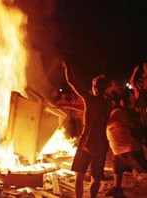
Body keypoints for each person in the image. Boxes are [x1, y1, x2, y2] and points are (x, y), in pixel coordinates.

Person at [62, 61, 111, 198]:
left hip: (86, 143)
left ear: (95, 87)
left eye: (93, 85)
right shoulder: (108, 104)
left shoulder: (89, 99)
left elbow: (71, 81)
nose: (92, 87)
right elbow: (87, 109)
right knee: (96, 177)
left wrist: (67, 67)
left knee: (80, 175)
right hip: (101, 145)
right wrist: (67, 105)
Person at [104, 95, 147, 197]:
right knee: (117, 169)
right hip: (119, 149)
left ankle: (117, 188)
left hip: (129, 149)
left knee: (144, 168)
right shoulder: (115, 112)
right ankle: (117, 188)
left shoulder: (117, 112)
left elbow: (103, 121)